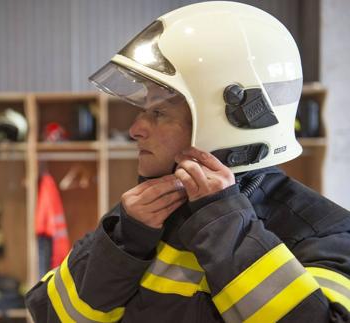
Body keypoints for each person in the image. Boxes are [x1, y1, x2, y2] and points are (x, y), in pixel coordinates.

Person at [25, 2, 350, 322]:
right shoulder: (146, 215)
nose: (135, 130)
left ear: (229, 121)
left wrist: (224, 227)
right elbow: (53, 314)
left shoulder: (325, 232)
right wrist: (125, 242)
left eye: (158, 113)